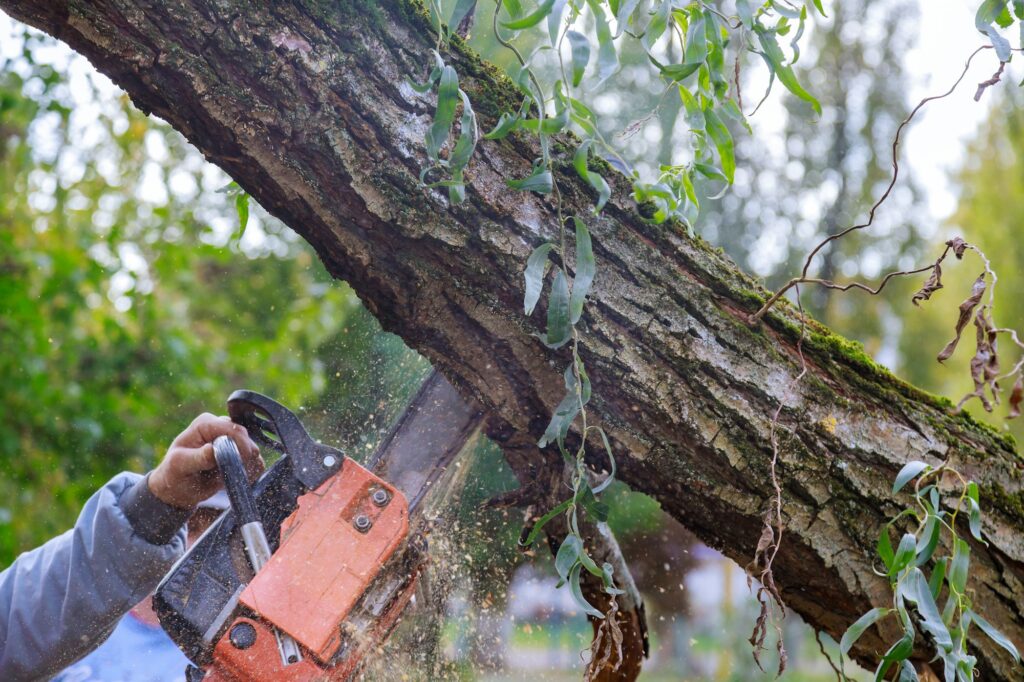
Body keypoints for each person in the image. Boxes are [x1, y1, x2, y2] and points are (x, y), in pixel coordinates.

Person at [0, 413, 262, 682]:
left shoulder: (230, 658)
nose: (199, 546)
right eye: (191, 526)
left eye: (217, 535)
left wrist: (158, 502)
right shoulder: (77, 636)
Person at [51, 493, 231, 682]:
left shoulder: (222, 656)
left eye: (213, 535)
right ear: (155, 529)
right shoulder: (78, 623)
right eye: (189, 528)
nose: (195, 547)